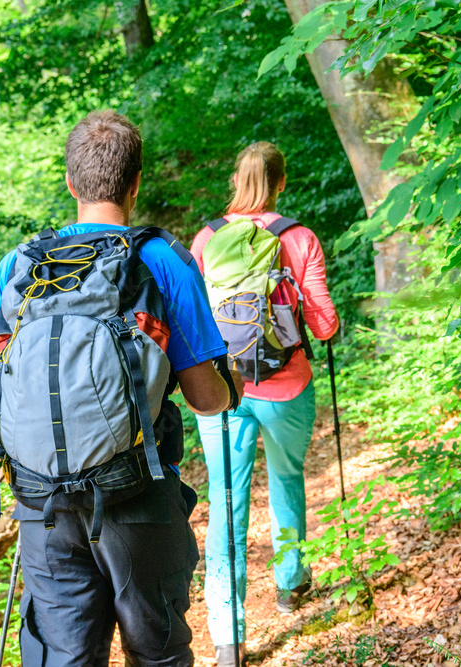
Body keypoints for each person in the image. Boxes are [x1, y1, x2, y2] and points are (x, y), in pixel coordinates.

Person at [0, 110, 244, 667]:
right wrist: (232, 387)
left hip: (41, 504)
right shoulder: (162, 261)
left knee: (63, 657)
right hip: (137, 494)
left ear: (71, 182)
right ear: (136, 182)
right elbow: (204, 396)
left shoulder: (20, 265)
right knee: (157, 653)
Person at [189, 141, 339, 666]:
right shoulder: (298, 238)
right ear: (281, 182)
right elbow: (324, 324)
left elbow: (188, 324)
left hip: (220, 391)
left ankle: (228, 637)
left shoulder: (206, 239)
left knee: (225, 502)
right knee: (287, 479)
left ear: (236, 179)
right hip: (287, 386)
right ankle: (290, 582)